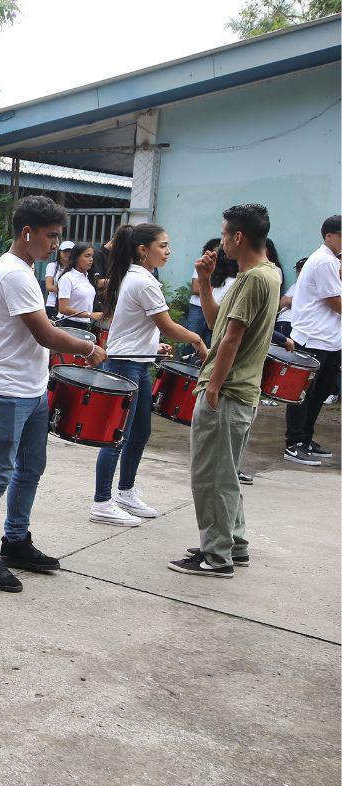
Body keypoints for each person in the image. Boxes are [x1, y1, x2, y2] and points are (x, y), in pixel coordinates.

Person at [0, 196, 108, 593]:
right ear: (27, 233)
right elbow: (44, 333)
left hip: (30, 390)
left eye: (58, 236)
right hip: (5, 391)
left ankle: (15, 541)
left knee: (30, 470)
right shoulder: (13, 273)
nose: (55, 245)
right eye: (51, 236)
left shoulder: (25, 269)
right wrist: (88, 348)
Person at [168, 204, 282, 578]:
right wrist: (204, 283)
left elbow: (231, 340)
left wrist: (213, 387)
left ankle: (217, 556)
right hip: (240, 391)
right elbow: (220, 326)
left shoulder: (253, 280)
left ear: (238, 237)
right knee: (226, 473)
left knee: (211, 476)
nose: (220, 242)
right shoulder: (267, 274)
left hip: (229, 391)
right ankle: (233, 543)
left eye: (224, 234)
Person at [90, 224, 209, 527]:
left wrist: (153, 344)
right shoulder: (143, 281)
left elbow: (133, 326)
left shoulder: (137, 277)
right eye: (163, 246)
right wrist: (196, 339)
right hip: (124, 366)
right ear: (143, 250)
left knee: (139, 433)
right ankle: (102, 501)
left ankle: (125, 492)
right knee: (117, 436)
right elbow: (167, 324)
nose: (168, 252)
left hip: (138, 363)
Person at [282, 214, 341, 466]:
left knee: (320, 392)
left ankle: (306, 439)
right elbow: (334, 301)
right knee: (302, 394)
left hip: (329, 340)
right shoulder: (324, 261)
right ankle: (293, 443)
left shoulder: (332, 261)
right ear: (329, 236)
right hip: (313, 338)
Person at [184, 238, 220, 348]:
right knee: (191, 338)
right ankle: (186, 363)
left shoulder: (226, 267)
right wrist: (213, 286)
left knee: (210, 341)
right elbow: (195, 289)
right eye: (214, 251)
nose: (216, 254)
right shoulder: (202, 263)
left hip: (215, 307)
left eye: (220, 251)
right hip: (198, 307)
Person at [54, 242, 101, 328]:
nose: (91, 259)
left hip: (85, 324)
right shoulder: (67, 278)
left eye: (92, 256)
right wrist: (89, 315)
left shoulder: (88, 277)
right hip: (68, 323)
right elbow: (63, 308)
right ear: (76, 258)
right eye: (87, 256)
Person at [44, 240, 73, 319]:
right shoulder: (52, 266)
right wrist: (67, 290)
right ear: (59, 252)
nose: (67, 254)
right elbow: (49, 286)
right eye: (65, 251)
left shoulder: (76, 269)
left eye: (70, 251)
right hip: (52, 304)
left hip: (69, 307)